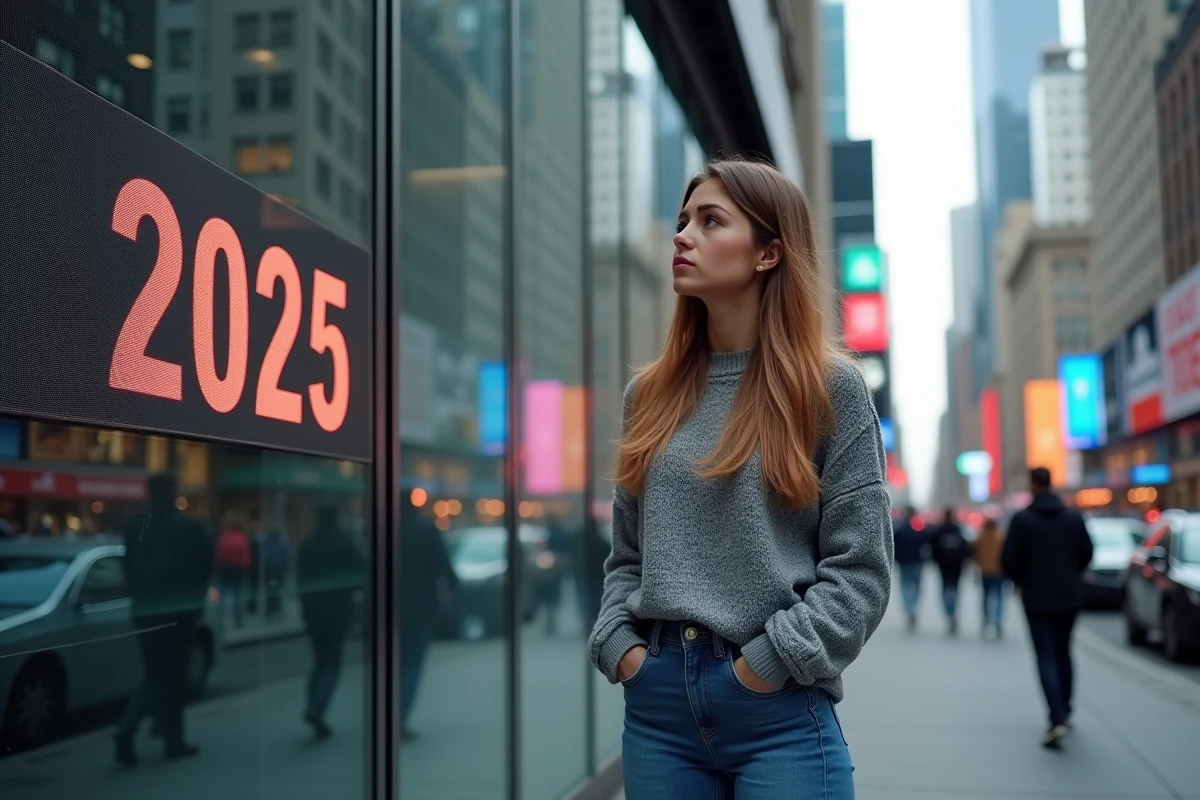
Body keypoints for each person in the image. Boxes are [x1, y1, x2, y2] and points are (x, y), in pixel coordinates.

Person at [586, 156, 893, 798]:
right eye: (682, 220)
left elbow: (861, 571)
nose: (682, 235)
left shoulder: (829, 388)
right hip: (658, 713)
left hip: (777, 712)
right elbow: (627, 558)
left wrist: (766, 665)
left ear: (768, 254)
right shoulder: (650, 394)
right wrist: (622, 648)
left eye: (711, 220)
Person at [115, 472, 213, 766]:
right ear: (172, 491)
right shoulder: (189, 527)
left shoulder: (136, 527)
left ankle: (162, 734)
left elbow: (129, 570)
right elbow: (203, 570)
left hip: (145, 612)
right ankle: (152, 734)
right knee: (169, 676)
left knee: (157, 673)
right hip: (179, 613)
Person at [1002, 466, 1094, 749]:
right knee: (1064, 651)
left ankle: (1056, 717)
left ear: (1033, 484)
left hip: (1037, 597)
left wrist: (1022, 580)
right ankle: (1065, 709)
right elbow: (1087, 553)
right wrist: (1070, 575)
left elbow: (1009, 558)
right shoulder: (1073, 518)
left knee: (1045, 656)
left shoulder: (1022, 519)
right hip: (1069, 597)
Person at [296, 504, 364, 739]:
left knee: (319, 661)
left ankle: (314, 704)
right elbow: (359, 575)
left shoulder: (308, 544)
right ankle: (317, 707)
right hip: (337, 611)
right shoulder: (345, 544)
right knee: (332, 663)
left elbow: (300, 579)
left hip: (313, 611)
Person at [398, 500, 457, 741]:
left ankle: (385, 715)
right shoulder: (425, 529)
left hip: (384, 608)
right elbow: (443, 566)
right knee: (411, 665)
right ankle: (399, 719)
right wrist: (451, 589)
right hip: (420, 608)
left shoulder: (383, 528)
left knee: (390, 665)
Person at [930, 508, 971, 635]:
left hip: (944, 566)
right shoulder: (958, 530)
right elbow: (965, 547)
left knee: (944, 590)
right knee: (955, 590)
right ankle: (953, 613)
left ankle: (949, 614)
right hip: (956, 566)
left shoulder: (939, 531)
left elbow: (933, 548)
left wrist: (936, 561)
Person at [893, 506, 930, 631]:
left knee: (905, 587)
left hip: (904, 563)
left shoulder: (899, 531)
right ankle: (913, 607)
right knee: (917, 587)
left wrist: (897, 559)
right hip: (917, 563)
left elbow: (894, 548)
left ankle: (909, 608)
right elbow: (926, 545)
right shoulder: (919, 531)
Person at [214, 512, 252, 629]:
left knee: (223, 595)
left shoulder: (223, 538)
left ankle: (220, 617)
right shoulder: (242, 538)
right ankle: (238, 619)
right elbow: (246, 558)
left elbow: (218, 555)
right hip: (238, 569)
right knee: (239, 595)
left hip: (225, 568)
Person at [974, 517, 1008, 639]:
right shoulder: (1001, 537)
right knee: (999, 596)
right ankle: (998, 620)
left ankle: (986, 619)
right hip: (999, 571)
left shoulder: (981, 537)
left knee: (986, 596)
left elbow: (974, 552)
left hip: (985, 571)